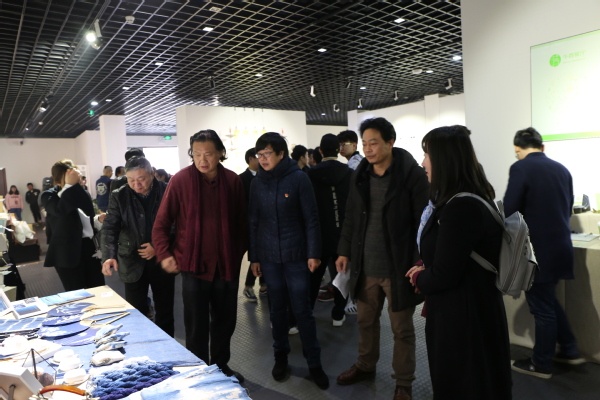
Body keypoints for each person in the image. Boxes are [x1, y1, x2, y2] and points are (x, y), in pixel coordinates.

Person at [406, 125, 512, 399]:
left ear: (444, 159)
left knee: (464, 385)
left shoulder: (460, 207)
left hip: (463, 322)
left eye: (427, 155)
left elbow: (445, 274)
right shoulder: (468, 199)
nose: (423, 163)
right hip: (472, 312)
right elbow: (451, 255)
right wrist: (427, 266)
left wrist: (418, 277)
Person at [335, 117, 428, 400]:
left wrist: (419, 262)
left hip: (399, 267)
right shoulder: (360, 174)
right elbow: (351, 216)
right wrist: (344, 250)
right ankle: (365, 365)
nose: (367, 149)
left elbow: (422, 222)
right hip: (366, 266)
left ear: (390, 142)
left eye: (373, 143)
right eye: (364, 143)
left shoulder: (411, 175)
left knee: (402, 330)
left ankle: (403, 382)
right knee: (365, 322)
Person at [152, 130, 247, 382]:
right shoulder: (181, 180)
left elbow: (242, 223)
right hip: (193, 266)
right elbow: (161, 223)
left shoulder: (233, 181)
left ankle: (221, 366)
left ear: (221, 154)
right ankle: (200, 372)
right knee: (195, 324)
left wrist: (238, 253)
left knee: (225, 322)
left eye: (208, 154)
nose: (202, 160)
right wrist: (164, 253)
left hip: (226, 265)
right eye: (196, 154)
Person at [249, 132, 329, 389]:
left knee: (302, 310)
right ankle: (280, 357)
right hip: (269, 257)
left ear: (281, 154)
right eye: (259, 154)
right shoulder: (257, 182)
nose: (262, 159)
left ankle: (314, 363)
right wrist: (254, 257)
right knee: (277, 310)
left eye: (267, 153)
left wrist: (313, 253)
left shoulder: (299, 178)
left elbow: (311, 219)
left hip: (296, 256)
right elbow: (253, 221)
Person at [505, 127, 582, 379]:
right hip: (561, 247)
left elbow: (510, 210)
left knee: (542, 309)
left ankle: (541, 364)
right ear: (542, 147)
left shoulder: (520, 168)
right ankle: (569, 349)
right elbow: (567, 209)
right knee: (548, 301)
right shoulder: (562, 169)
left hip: (537, 250)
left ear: (518, 149)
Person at [101, 156, 175, 337]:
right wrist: (109, 255)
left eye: (141, 179)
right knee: (136, 311)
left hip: (161, 259)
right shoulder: (119, 195)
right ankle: (142, 346)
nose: (136, 184)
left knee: (165, 310)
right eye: (131, 180)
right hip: (131, 259)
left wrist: (158, 246)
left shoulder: (167, 190)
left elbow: (178, 223)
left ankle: (168, 347)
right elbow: (110, 227)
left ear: (152, 174)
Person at [307, 134, 352, 326]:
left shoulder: (310, 174)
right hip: (343, 234)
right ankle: (338, 314)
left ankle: (307, 313)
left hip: (319, 235)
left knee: (313, 278)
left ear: (320, 151)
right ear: (338, 150)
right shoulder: (349, 173)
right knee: (342, 275)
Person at [42, 160, 105, 291]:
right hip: (65, 252)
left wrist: (98, 220)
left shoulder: (83, 193)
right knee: (76, 293)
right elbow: (60, 211)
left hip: (88, 248)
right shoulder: (49, 195)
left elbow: (85, 219)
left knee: (98, 289)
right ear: (61, 176)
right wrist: (69, 186)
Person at [239, 148, 266, 302]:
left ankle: (263, 285)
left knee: (264, 254)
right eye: (259, 156)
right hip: (250, 223)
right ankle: (248, 286)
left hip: (265, 222)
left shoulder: (266, 176)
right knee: (256, 255)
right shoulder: (241, 179)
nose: (262, 159)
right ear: (251, 158)